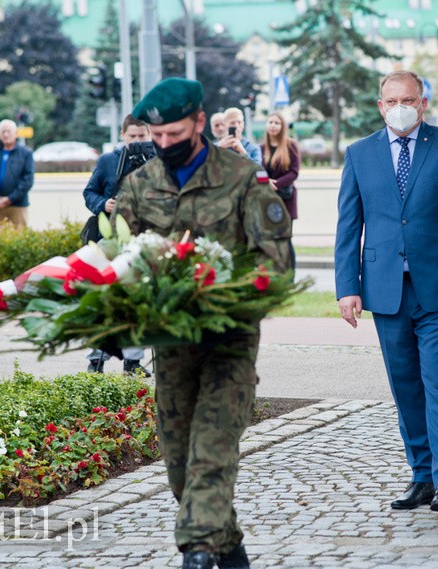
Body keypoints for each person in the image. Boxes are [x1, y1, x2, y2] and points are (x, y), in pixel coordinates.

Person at [113, 77, 292, 569]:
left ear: (197, 122)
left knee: (211, 455)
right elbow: (118, 259)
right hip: (170, 349)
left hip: (229, 344)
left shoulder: (243, 179)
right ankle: (231, 552)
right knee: (179, 472)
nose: (164, 144)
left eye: (174, 133)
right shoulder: (139, 185)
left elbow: (276, 263)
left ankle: (196, 551)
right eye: (156, 136)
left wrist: (222, 291)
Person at [334, 70, 438, 514]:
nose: (399, 107)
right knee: (405, 388)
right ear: (380, 105)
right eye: (391, 100)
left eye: (408, 99)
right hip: (385, 291)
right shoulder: (359, 154)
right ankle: (421, 475)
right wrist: (348, 288)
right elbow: (349, 227)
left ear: (423, 103)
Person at [82, 114, 152, 376]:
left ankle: (133, 361)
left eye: (141, 136)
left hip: (143, 238)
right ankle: (96, 357)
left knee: (137, 300)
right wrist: (104, 205)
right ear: (123, 135)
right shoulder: (109, 161)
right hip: (110, 237)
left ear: (149, 135)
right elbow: (89, 192)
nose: (136, 141)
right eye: (132, 136)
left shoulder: (156, 161)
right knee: (104, 297)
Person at [260, 111, 300, 270]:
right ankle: (274, 273)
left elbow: (294, 171)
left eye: (277, 123)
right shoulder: (262, 148)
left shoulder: (291, 145)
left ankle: (290, 275)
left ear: (282, 126)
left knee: (285, 239)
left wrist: (276, 184)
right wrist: (266, 182)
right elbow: (256, 170)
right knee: (270, 239)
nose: (273, 126)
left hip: (286, 199)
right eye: (270, 122)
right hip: (268, 201)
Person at [0, 118, 34, 228]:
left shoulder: (25, 154)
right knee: (1, 239)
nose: (6, 134)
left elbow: (28, 180)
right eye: (3, 132)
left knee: (19, 238)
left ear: (15, 133)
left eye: (8, 131)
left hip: (18, 206)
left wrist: (10, 199)